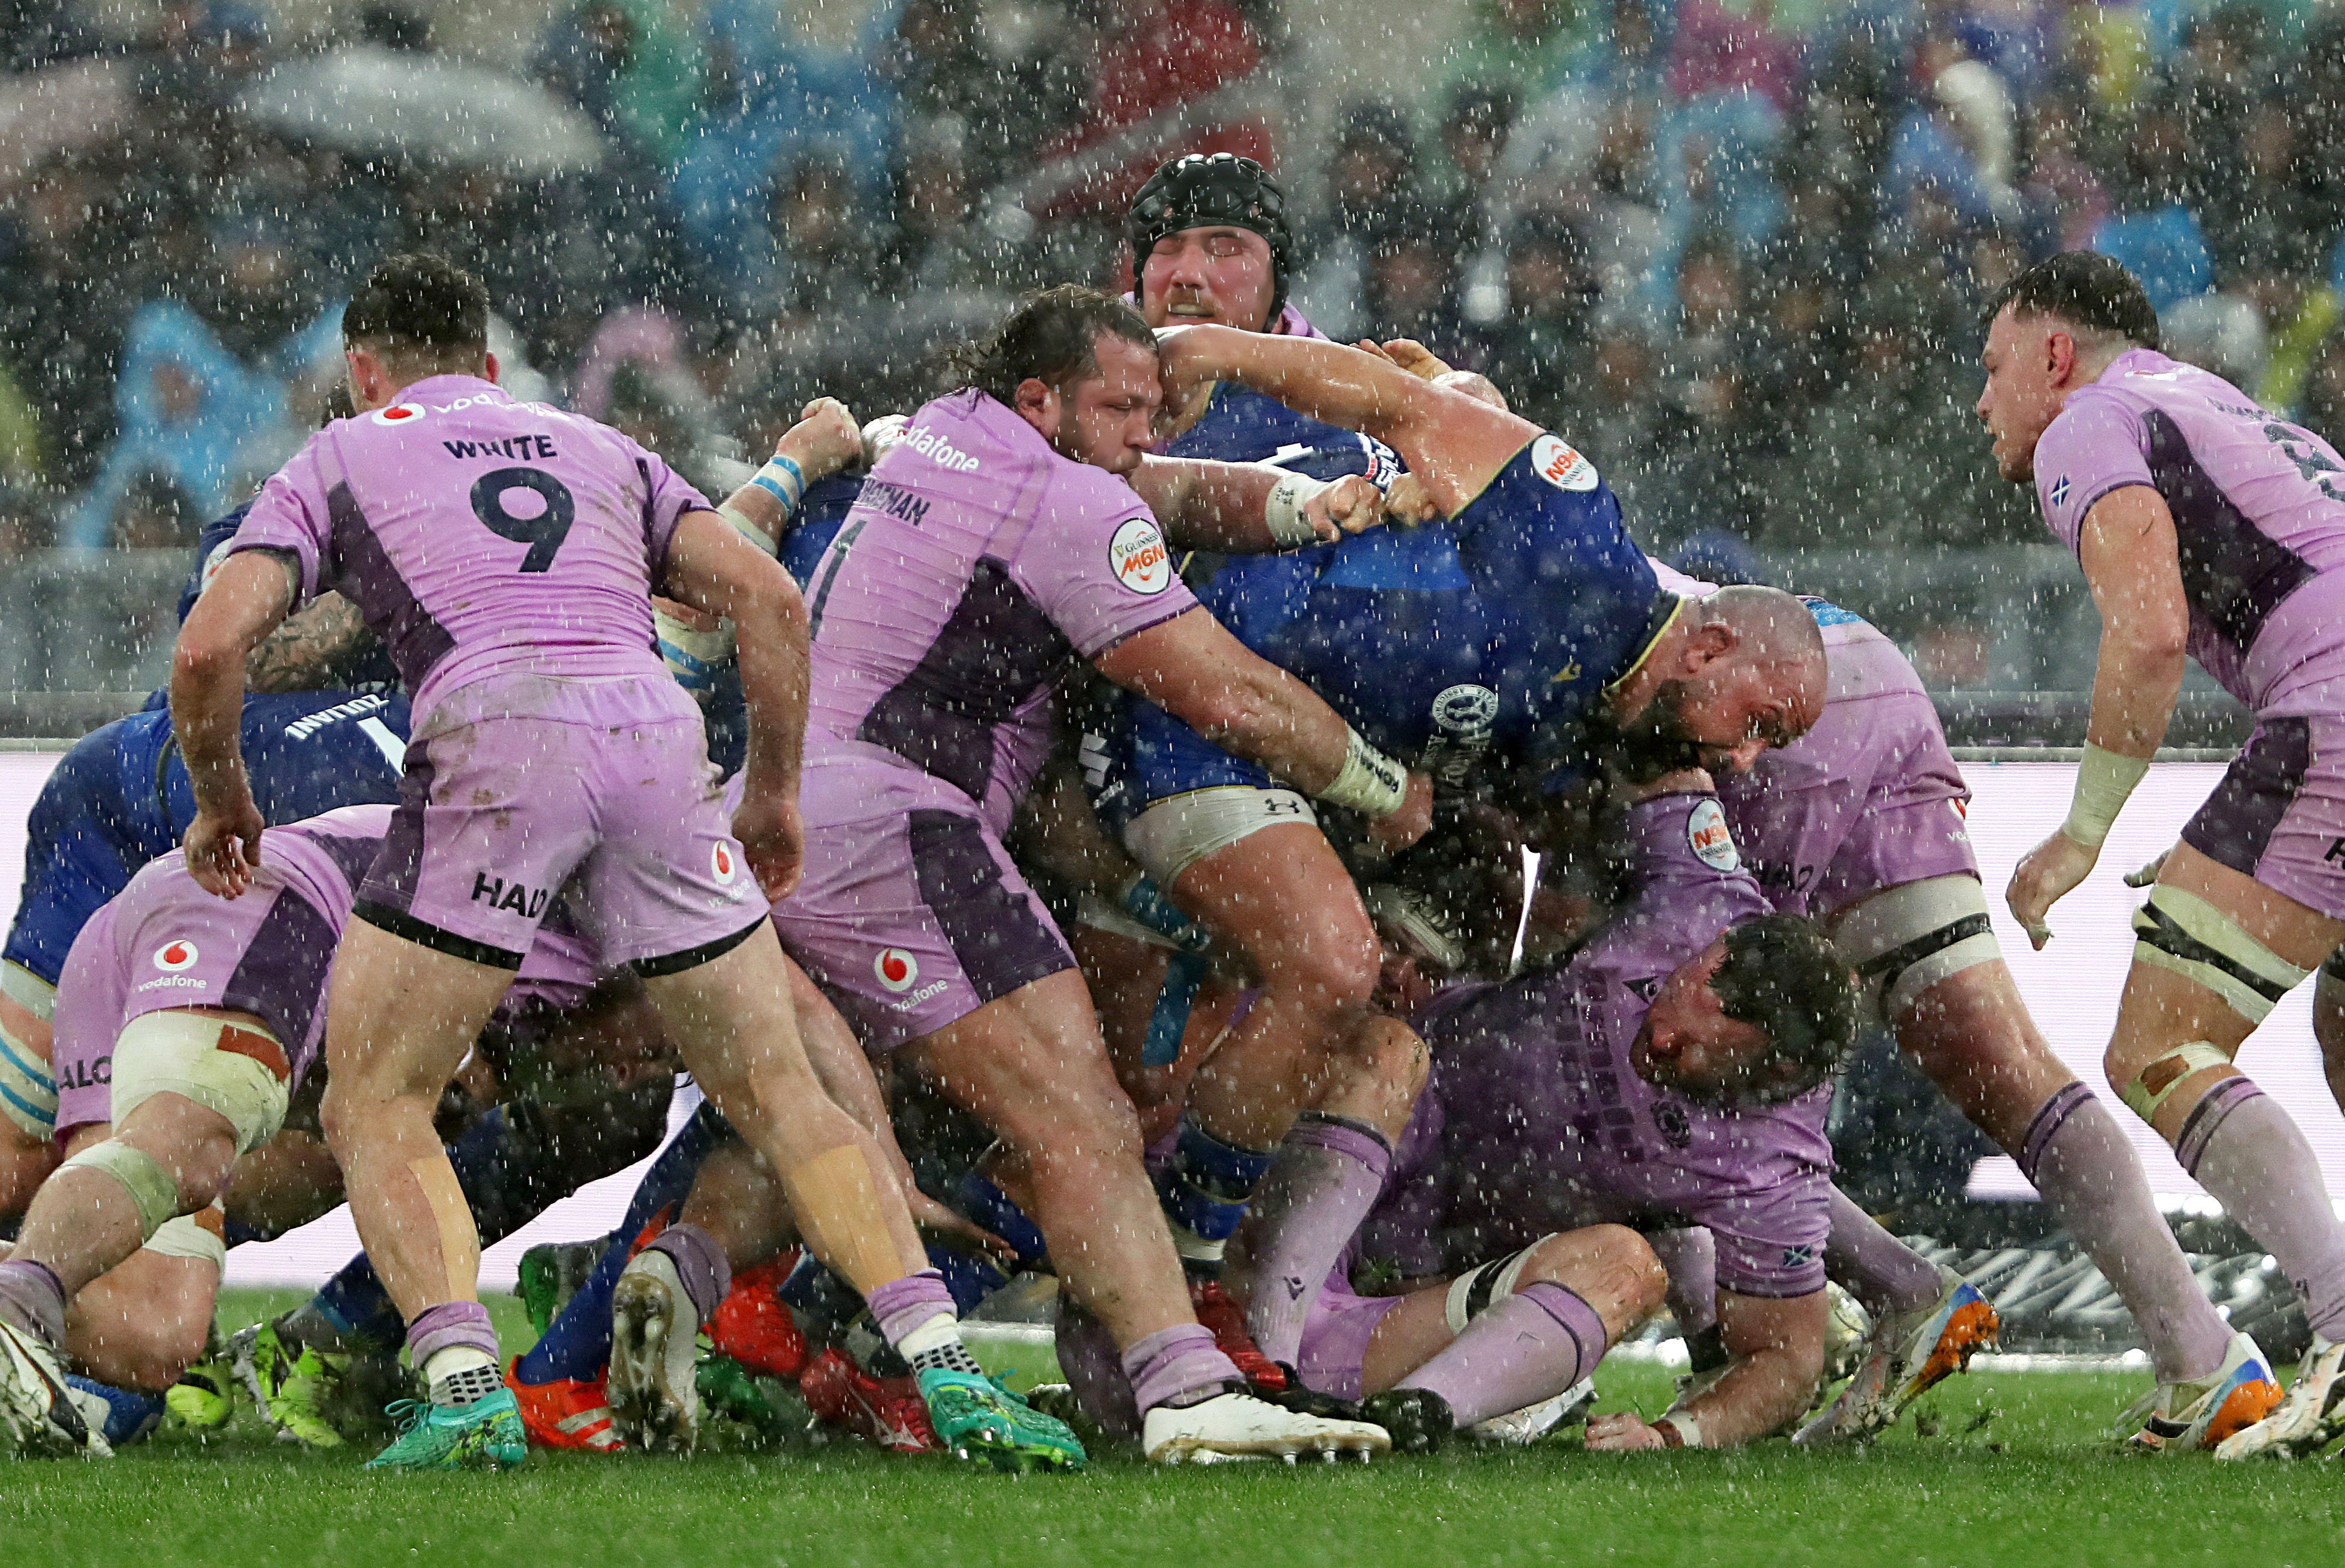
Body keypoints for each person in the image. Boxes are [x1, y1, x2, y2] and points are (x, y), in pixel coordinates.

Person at [157, 252, 1079, 1473]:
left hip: (496, 737)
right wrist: (775, 796)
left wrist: (224, 802)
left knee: (375, 1097)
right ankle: (948, 1369)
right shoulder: (587, 440)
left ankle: (464, 1389)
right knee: (781, 1099)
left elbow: (209, 651)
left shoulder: (337, 453)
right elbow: (768, 603)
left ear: (360, 371)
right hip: (650, 739)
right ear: (490, 366)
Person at [766, 281, 1419, 1464]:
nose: (1144, 433)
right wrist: (1380, 785)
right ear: (1043, 400)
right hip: (894, 830)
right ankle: (1178, 1389)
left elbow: (1165, 487)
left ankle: (774, 1329)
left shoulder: (941, 430)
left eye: (1153, 408)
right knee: (1072, 1116)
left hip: (788, 816)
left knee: (974, 1112)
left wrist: (1303, 505)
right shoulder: (1062, 500)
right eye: (1120, 408)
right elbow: (1231, 693)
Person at [1653, 560, 2281, 1451]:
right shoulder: (1511, 507)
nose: (1985, 407)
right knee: (2004, 1065)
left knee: (1668, 1046)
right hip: (1854, 668)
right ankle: (2202, 1354)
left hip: (1766, 709)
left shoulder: (1482, 564)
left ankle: (1779, 1329)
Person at [1982, 251, 2345, 1459]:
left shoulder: (2085, 422)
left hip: (2333, 715)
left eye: (1991, 369)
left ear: (2050, 353)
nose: (1981, 401)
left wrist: (2082, 833)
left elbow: (2146, 635)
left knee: (2155, 1047)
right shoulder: (2219, 402)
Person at [1229, 776, 1861, 1452]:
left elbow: (1789, 1364)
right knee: (1392, 1047)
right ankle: (1266, 1367)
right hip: (1291, 1198)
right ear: (1714, 953)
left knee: (1633, 1265)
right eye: (1673, 1001)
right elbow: (1651, 755)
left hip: (1405, 1306)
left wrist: (1673, 1436)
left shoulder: (1775, 1165)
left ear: (1773, 1076)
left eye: (1694, 1058)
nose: (1662, 1041)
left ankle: (1417, 1416)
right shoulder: (1702, 892)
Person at [0, 805, 595, 1457]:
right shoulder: (628, 899)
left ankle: (26, 1294)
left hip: (191, 923)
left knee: (153, 1333)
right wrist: (218, 785)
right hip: (242, 906)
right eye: (651, 1057)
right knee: (182, 1148)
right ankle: (20, 1299)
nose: (637, 1071)